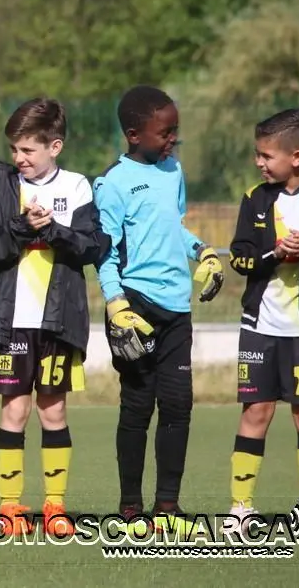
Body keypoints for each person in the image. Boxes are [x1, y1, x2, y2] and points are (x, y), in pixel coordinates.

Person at [0, 98, 107, 536]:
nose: (19, 158)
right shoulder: (1, 189)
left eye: (28, 150)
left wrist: (51, 230)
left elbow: (92, 246)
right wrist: (20, 226)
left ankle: (55, 507)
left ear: (55, 146)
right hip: (11, 321)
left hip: (58, 322)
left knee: (54, 409)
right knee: (14, 410)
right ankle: (10, 507)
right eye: (14, 149)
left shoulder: (78, 187)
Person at [93, 85, 224, 533]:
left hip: (176, 310)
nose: (172, 140)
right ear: (134, 134)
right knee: (137, 406)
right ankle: (130, 505)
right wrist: (115, 304)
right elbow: (104, 251)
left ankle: (168, 504)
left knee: (178, 404)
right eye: (164, 133)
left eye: (175, 131)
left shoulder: (173, 170)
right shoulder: (112, 183)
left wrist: (203, 251)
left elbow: (174, 226)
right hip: (135, 306)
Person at [227, 108, 299, 534]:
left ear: (297, 157)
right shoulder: (255, 198)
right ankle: (240, 508)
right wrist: (274, 254)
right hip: (259, 326)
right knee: (256, 411)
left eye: (267, 156)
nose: (259, 162)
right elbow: (240, 257)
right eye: (258, 154)